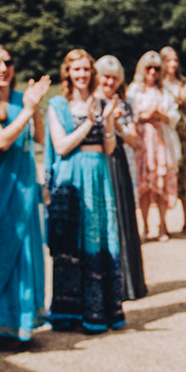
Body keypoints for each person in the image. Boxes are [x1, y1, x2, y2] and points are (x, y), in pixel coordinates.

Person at [0, 45, 50, 345]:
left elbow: (40, 138)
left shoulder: (21, 100)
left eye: (8, 62)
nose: (3, 68)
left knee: (26, 251)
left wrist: (35, 107)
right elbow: (1, 141)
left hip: (25, 185)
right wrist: (28, 110)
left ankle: (25, 323)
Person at [45, 49, 128, 333]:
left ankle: (100, 310)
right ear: (67, 72)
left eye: (85, 69)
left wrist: (106, 121)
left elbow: (109, 147)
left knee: (99, 239)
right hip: (72, 175)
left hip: (98, 173)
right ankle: (69, 311)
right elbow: (61, 146)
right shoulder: (58, 105)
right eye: (76, 70)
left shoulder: (101, 101)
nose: (81, 75)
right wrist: (90, 121)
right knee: (71, 243)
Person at [96, 56, 147, 301]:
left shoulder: (124, 105)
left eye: (114, 78)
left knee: (123, 218)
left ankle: (128, 282)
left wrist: (116, 122)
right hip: (95, 163)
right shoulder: (89, 103)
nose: (109, 82)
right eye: (105, 76)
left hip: (116, 163)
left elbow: (135, 140)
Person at [128, 51, 180, 242]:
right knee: (144, 187)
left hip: (160, 142)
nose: (152, 72)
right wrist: (143, 116)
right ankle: (144, 226)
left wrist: (161, 116)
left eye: (156, 69)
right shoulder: (134, 90)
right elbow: (129, 114)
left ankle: (163, 224)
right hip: (142, 143)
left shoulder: (164, 91)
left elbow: (174, 116)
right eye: (148, 68)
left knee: (161, 184)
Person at [160, 45, 186, 235]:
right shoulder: (157, 83)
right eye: (169, 60)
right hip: (165, 133)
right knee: (166, 176)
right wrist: (176, 99)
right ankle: (163, 223)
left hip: (184, 134)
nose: (173, 64)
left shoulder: (184, 82)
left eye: (175, 60)